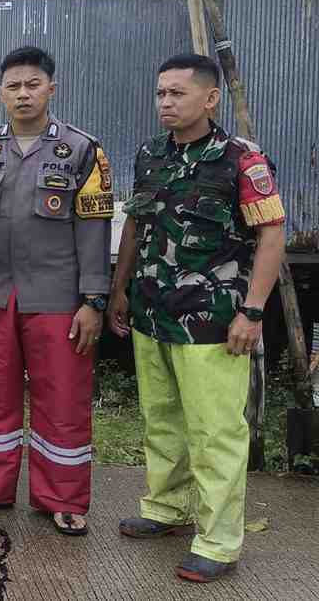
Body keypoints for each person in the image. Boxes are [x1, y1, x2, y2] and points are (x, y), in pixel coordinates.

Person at [110, 54, 284, 583]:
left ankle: (219, 541)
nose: (165, 102)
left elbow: (271, 235)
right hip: (152, 311)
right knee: (162, 419)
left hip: (213, 319)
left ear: (210, 99)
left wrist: (253, 311)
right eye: (161, 93)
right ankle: (167, 507)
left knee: (214, 432)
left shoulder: (241, 159)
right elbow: (135, 228)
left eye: (177, 93)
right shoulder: (150, 155)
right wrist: (119, 290)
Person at [0, 46, 112, 535]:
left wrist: (93, 301)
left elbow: (94, 230)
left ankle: (63, 497)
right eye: (14, 86)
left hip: (59, 298)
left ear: (51, 89)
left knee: (63, 399)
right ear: (0, 93)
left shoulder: (82, 151)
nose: (23, 94)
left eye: (33, 84)